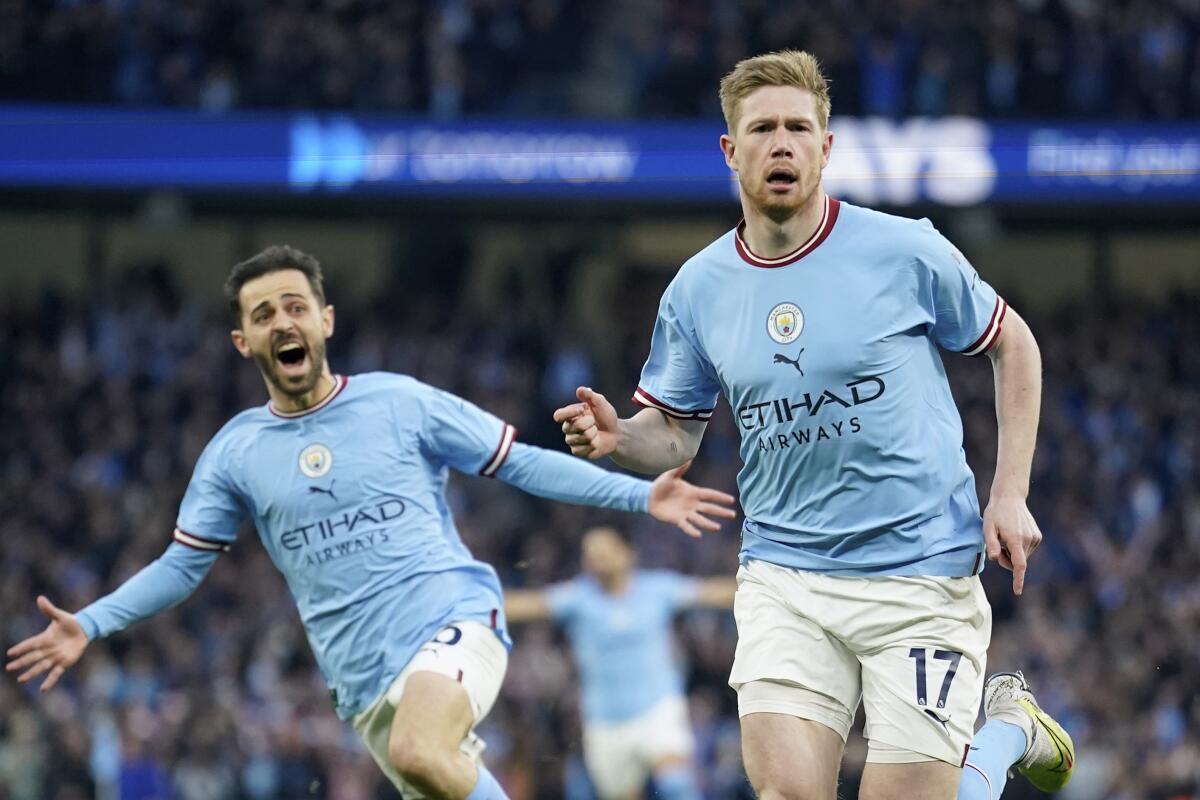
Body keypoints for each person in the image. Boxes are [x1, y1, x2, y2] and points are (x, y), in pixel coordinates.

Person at [5, 246, 737, 800]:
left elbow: (519, 463)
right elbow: (182, 565)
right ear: (243, 343)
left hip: (454, 618)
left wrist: (640, 497)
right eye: (263, 315)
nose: (282, 321)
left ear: (324, 320)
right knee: (432, 765)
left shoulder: (400, 403)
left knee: (424, 749)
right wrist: (90, 624)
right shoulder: (234, 453)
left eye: (295, 305)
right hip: (360, 685)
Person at [553, 50, 1074, 800]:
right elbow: (672, 435)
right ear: (731, 151)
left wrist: (1011, 492)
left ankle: (1008, 728)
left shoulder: (903, 250)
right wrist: (618, 440)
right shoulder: (698, 289)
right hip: (786, 578)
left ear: (827, 148)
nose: (782, 143)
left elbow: (1012, 342)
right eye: (762, 128)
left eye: (800, 127)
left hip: (920, 572)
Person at [505, 525, 735, 800]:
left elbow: (713, 592)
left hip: (658, 709)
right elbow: (527, 605)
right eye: (590, 553)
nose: (597, 558)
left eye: (604, 550)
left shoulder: (657, 589)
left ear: (628, 554)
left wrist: (770, 587)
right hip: (606, 723)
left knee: (678, 787)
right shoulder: (577, 598)